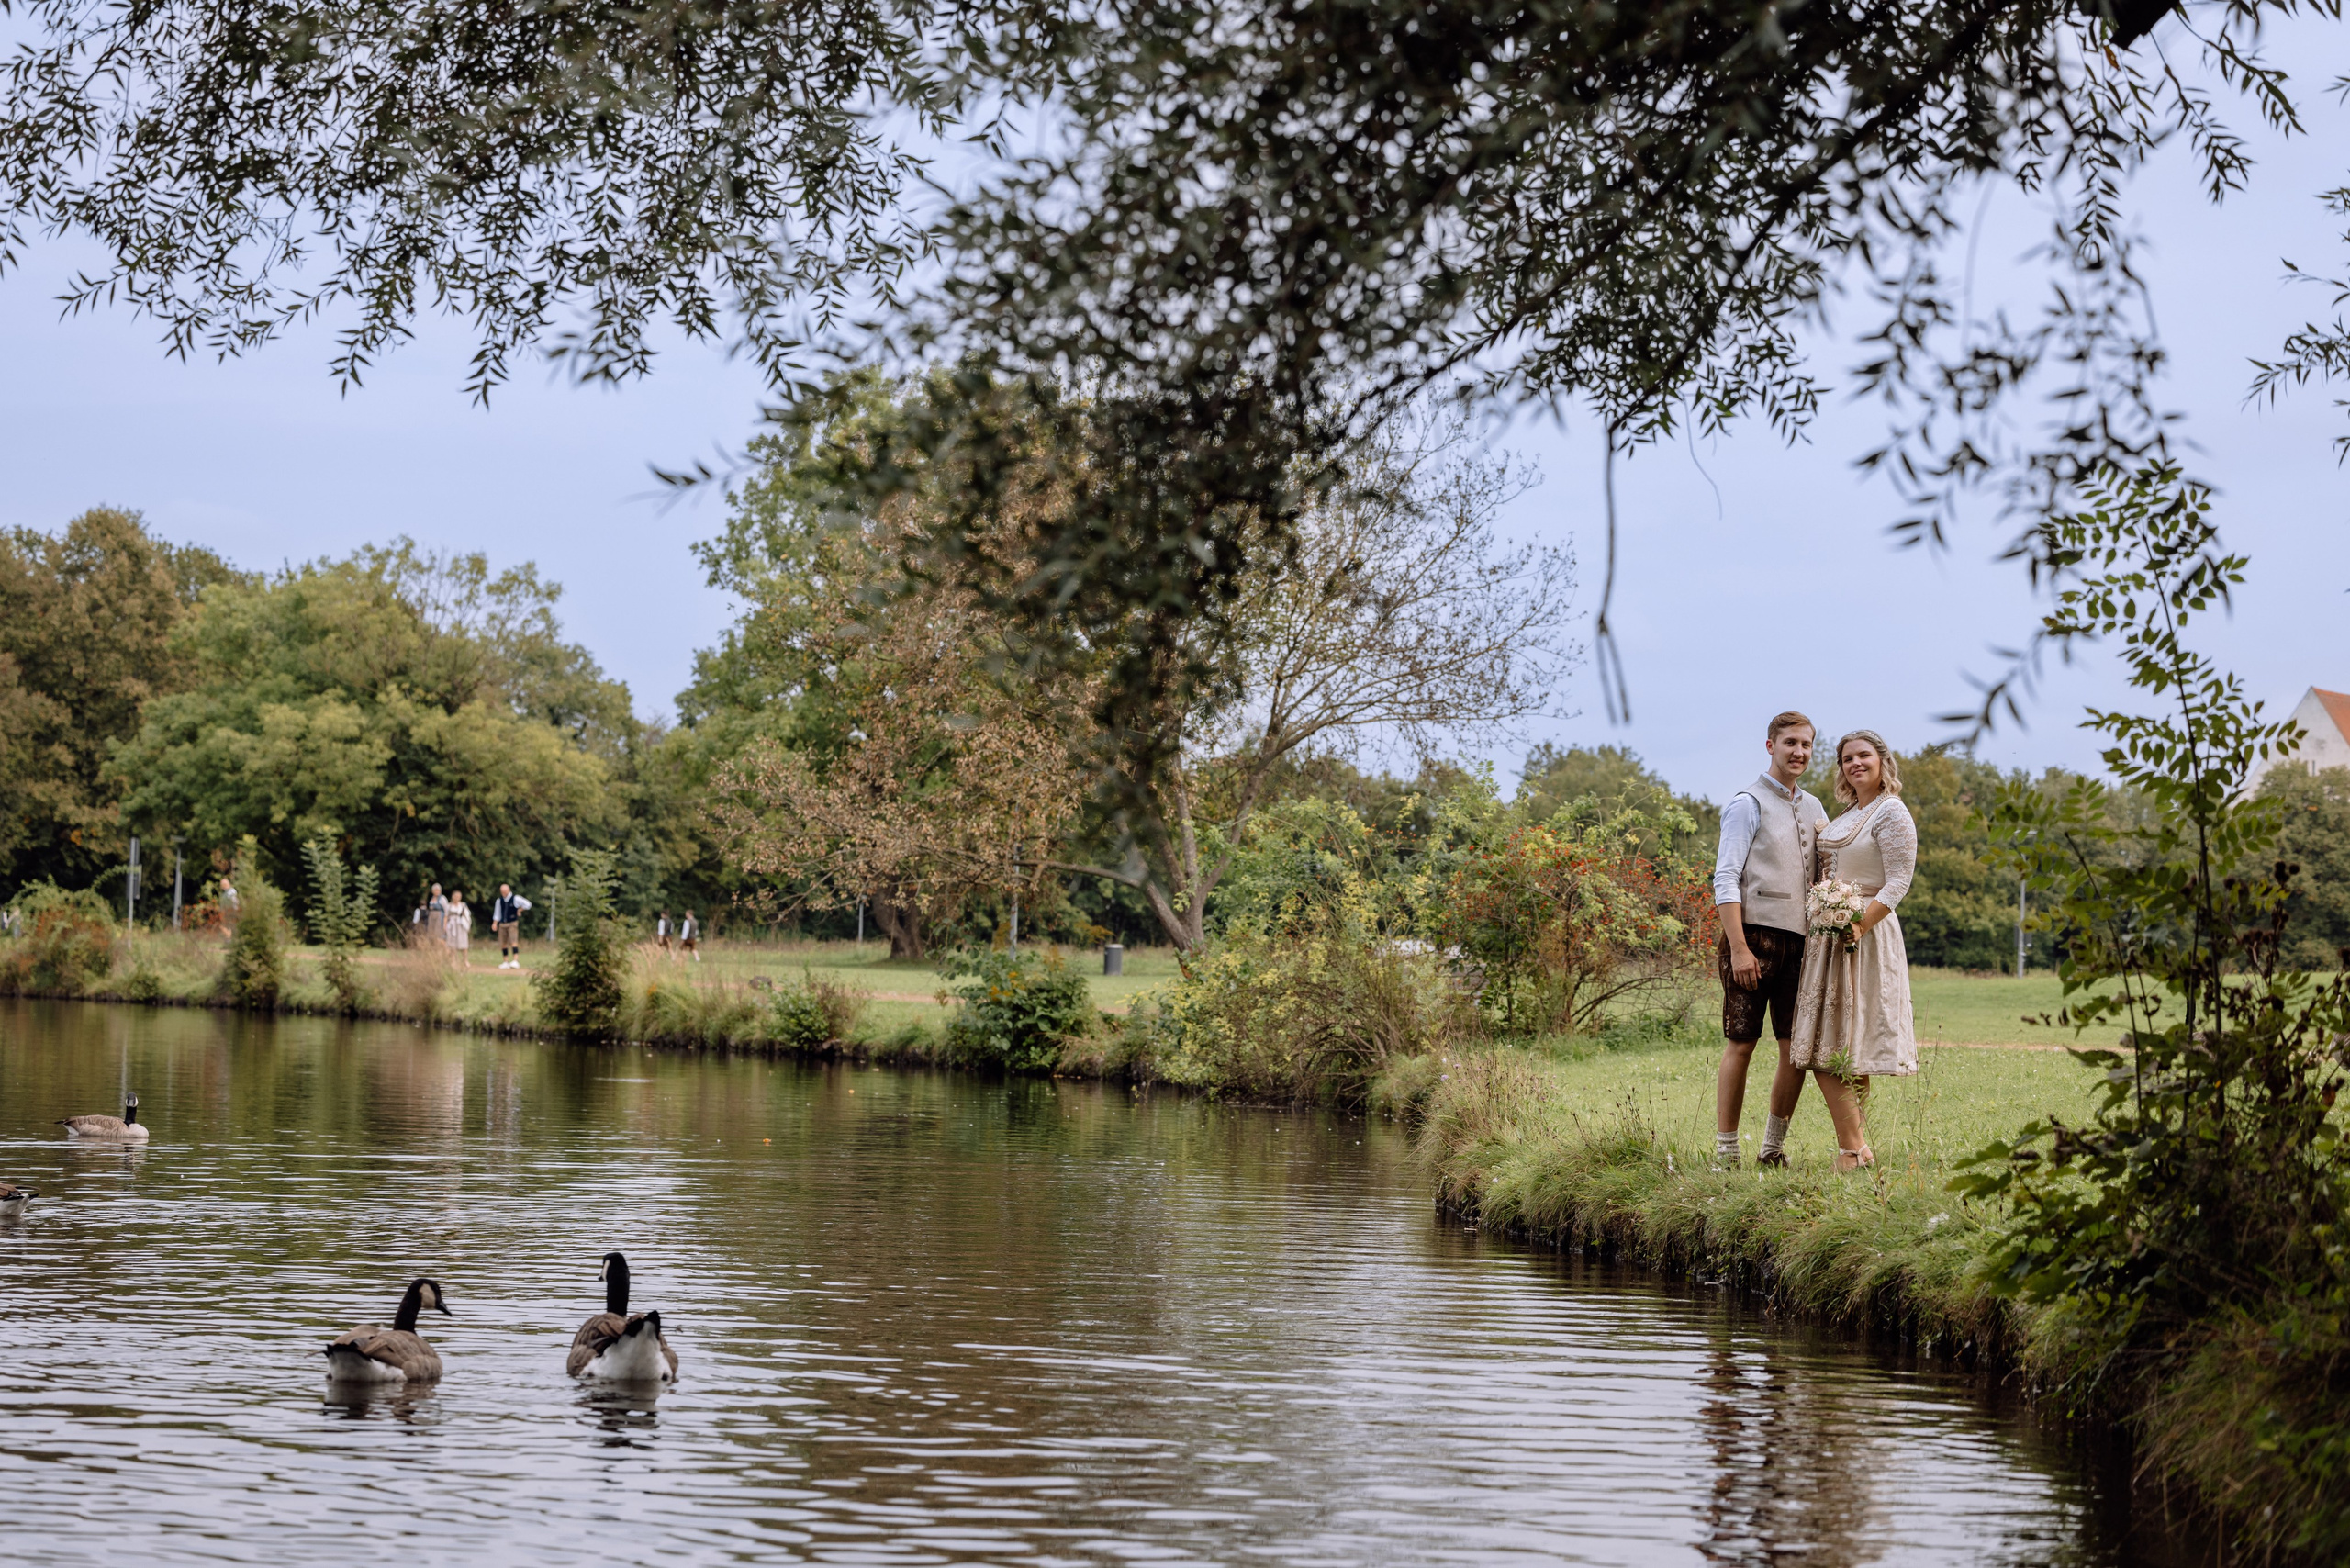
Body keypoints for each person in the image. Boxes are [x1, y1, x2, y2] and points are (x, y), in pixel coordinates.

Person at [1789, 729, 1919, 1170]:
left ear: (1882, 760)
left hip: (1866, 931)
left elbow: (1899, 879)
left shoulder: (1892, 812)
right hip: (1828, 932)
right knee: (1838, 1042)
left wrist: (1859, 925)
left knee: (1836, 1044)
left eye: (1864, 755)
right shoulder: (1846, 814)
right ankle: (1859, 1146)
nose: (1855, 764)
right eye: (1847, 758)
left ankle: (1851, 1149)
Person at [1712, 711, 1830, 1170]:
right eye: (1790, 744)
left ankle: (1772, 1149)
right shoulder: (1747, 803)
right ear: (1770, 747)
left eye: (1806, 745)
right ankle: (1726, 1152)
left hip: (1801, 944)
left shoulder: (1816, 808)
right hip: (1752, 937)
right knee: (1741, 1042)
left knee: (1794, 1049)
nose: (1798, 752)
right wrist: (1739, 948)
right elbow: (1725, 877)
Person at [490, 883, 531, 969]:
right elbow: (497, 913)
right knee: (503, 943)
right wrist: (495, 923)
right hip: (502, 923)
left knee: (513, 941)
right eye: (502, 892)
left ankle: (515, 960)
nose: (503, 893)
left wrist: (520, 910)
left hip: (512, 923)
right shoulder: (499, 900)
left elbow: (528, 904)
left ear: (508, 890)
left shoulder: (516, 898)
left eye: (504, 891)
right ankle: (505, 961)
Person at [444, 890, 474, 967]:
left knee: (464, 944)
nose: (457, 898)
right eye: (455, 896)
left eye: (458, 896)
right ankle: (453, 961)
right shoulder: (449, 906)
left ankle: (465, 960)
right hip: (452, 926)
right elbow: (446, 917)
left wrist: (467, 925)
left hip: (461, 926)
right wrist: (445, 926)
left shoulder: (463, 905)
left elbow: (467, 916)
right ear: (452, 896)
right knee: (452, 945)